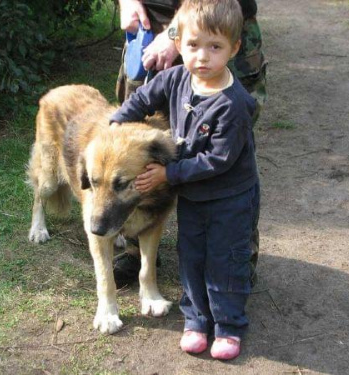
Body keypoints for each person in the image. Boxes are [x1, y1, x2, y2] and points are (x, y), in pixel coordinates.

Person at [110, 0, 259, 359]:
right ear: (179, 44)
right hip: (193, 197)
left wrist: (169, 173)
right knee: (190, 255)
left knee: (225, 259)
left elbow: (217, 160)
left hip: (230, 198)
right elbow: (145, 96)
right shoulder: (177, 78)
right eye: (193, 46)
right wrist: (118, 120)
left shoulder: (234, 104)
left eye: (215, 47)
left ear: (235, 48)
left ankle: (228, 326)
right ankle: (195, 320)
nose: (202, 57)